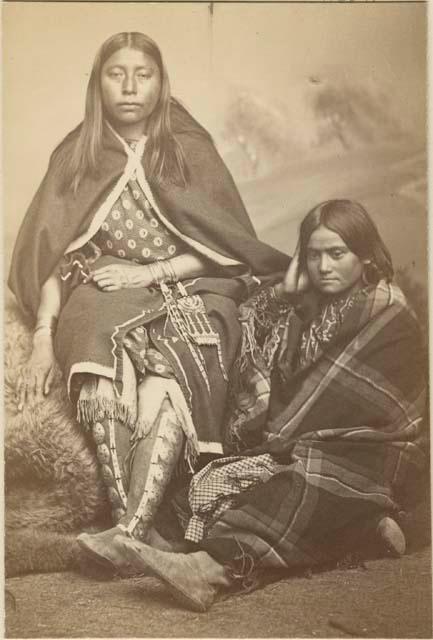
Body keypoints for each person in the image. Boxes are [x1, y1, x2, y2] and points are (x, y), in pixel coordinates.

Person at [8, 32, 289, 572]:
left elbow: (224, 249)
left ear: (162, 83)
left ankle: (127, 535)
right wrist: (43, 338)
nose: (132, 86)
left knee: (165, 384)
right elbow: (49, 261)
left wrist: (150, 270)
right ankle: (137, 538)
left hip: (191, 290)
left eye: (144, 73)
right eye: (117, 73)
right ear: (98, 84)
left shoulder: (187, 147)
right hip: (102, 295)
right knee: (100, 370)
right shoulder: (77, 155)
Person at [110, 199, 428, 611]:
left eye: (337, 253)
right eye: (313, 255)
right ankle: (367, 530)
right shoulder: (306, 308)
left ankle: (210, 571)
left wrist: (291, 446)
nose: (324, 266)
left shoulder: (389, 313)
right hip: (304, 444)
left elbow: (369, 407)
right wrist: (284, 292)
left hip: (376, 453)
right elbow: (255, 349)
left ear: (365, 255)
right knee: (206, 485)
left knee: (304, 484)